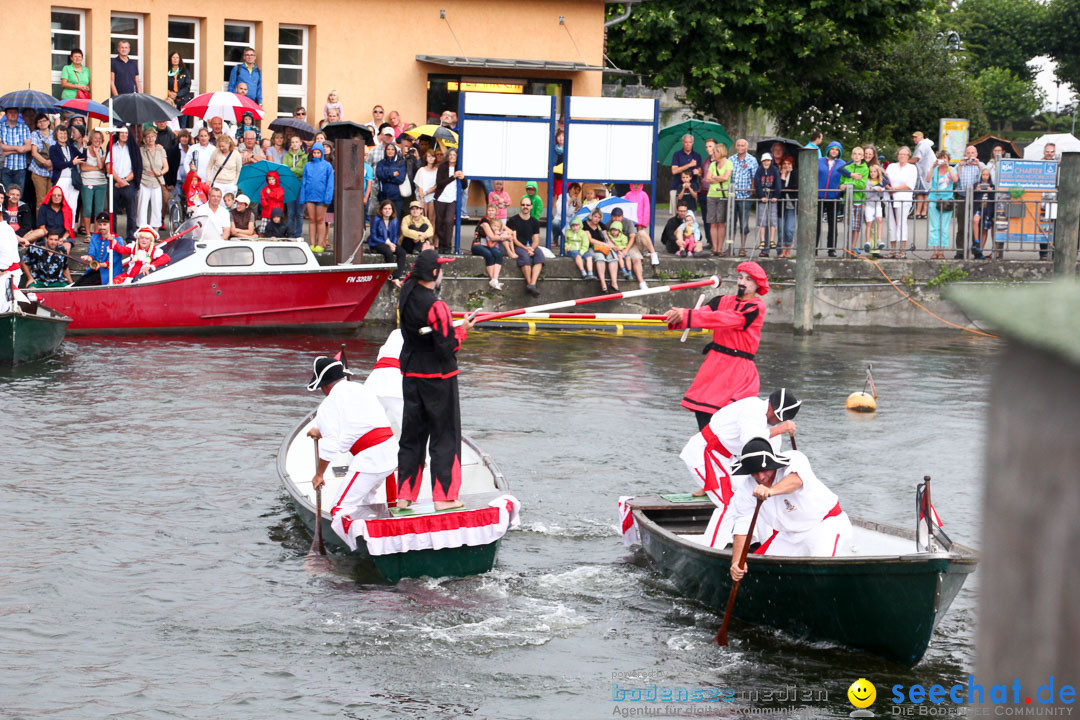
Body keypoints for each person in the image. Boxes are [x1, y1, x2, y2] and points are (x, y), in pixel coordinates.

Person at [396, 250, 476, 511]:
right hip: (438, 378)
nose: (443, 273)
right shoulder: (436, 305)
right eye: (441, 269)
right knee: (444, 436)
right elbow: (446, 347)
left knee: (412, 437)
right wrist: (462, 331)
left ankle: (405, 495)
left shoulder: (406, 295)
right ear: (433, 273)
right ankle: (444, 497)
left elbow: (430, 334)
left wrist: (451, 328)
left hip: (411, 374)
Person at [680, 389, 801, 548]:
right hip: (702, 454)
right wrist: (781, 429)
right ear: (772, 408)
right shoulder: (752, 407)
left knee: (754, 492)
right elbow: (750, 439)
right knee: (728, 504)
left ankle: (756, 542)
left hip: (726, 460)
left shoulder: (772, 429)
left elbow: (772, 458)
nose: (779, 422)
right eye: (779, 418)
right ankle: (711, 548)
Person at [306, 355, 399, 550]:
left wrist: (319, 474)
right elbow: (355, 422)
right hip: (390, 453)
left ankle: (363, 551)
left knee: (339, 510)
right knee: (369, 500)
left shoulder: (329, 404)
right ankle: (390, 532)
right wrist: (320, 430)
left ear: (324, 386)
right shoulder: (359, 388)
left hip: (370, 459)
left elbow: (331, 447)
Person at [665, 262, 769, 429]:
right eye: (740, 277)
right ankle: (706, 450)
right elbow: (702, 315)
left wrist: (687, 315)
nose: (742, 282)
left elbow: (726, 319)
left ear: (758, 284)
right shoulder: (720, 300)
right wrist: (676, 316)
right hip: (715, 365)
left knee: (725, 418)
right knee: (704, 413)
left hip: (738, 369)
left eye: (749, 279)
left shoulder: (755, 307)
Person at [727, 437, 853, 574]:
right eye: (755, 472)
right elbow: (742, 526)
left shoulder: (794, 458)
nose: (761, 477)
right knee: (762, 571)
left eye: (764, 470)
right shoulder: (746, 488)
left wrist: (770, 491)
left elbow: (797, 480)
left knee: (821, 570)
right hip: (789, 534)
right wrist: (737, 562)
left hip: (825, 526)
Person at [365, 329, 405, 429]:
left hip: (374, 381)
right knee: (407, 424)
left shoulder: (395, 333)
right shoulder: (415, 333)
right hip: (395, 382)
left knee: (369, 422)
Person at [299, 142, 334, 253]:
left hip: (322, 197)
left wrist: (328, 197)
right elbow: (304, 182)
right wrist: (302, 197)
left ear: (322, 153)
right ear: (312, 153)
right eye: (314, 152)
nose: (316, 154)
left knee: (320, 220)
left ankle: (320, 243)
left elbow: (330, 183)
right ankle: (312, 243)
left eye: (318, 152)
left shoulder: (327, 165)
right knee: (312, 220)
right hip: (310, 196)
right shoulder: (308, 165)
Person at [507, 195, 544, 296]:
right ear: (520, 206)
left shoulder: (534, 222)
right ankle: (529, 283)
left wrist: (532, 248)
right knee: (525, 256)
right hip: (518, 246)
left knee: (539, 255)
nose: (525, 206)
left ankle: (532, 284)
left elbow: (536, 239)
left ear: (531, 206)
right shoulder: (513, 220)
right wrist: (526, 249)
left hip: (530, 246)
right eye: (523, 205)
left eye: (527, 205)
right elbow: (513, 239)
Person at [884, 147, 917, 258]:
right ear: (897, 155)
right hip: (890, 198)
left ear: (908, 156)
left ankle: (902, 251)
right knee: (891, 225)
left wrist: (895, 189)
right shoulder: (891, 166)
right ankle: (892, 251)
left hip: (903, 199)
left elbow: (909, 185)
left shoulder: (912, 168)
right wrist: (888, 187)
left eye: (905, 154)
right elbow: (885, 179)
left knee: (901, 224)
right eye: (900, 154)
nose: (902, 156)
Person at [953, 145, 984, 260]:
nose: (970, 155)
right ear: (965, 154)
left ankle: (976, 250)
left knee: (976, 225)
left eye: (972, 153)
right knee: (961, 225)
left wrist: (979, 165)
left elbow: (987, 176)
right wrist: (960, 165)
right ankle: (960, 251)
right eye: (968, 153)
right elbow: (955, 179)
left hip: (976, 198)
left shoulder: (980, 165)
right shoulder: (959, 165)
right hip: (962, 197)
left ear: (976, 154)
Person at [816, 141, 846, 257]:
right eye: (832, 149)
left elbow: (846, 178)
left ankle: (831, 248)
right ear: (828, 150)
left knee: (832, 224)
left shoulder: (842, 164)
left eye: (837, 149)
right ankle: (813, 248)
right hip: (819, 196)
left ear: (839, 152)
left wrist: (840, 189)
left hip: (834, 197)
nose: (834, 151)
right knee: (816, 224)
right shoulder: (819, 162)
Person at [77, 212, 124, 286]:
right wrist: (88, 258)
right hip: (95, 270)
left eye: (105, 224)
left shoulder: (118, 239)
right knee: (78, 285)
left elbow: (112, 261)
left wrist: (99, 265)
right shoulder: (94, 237)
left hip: (109, 273)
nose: (102, 227)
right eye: (100, 224)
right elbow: (92, 254)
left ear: (110, 225)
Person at [48, 125, 84, 220]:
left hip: (72, 180)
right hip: (61, 179)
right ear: (56, 135)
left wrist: (85, 145)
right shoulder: (53, 148)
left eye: (64, 133)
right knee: (59, 203)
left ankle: (70, 228)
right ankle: (59, 227)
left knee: (72, 204)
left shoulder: (71, 147)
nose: (63, 135)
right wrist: (72, 163)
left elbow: (83, 157)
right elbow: (57, 164)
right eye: (60, 133)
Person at [925, 150, 957, 260]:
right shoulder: (935, 170)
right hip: (934, 199)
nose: (943, 160)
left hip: (947, 200)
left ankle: (942, 251)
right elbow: (928, 179)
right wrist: (932, 167)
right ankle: (935, 251)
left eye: (945, 158)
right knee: (934, 226)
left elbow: (955, 179)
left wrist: (948, 167)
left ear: (948, 159)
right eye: (941, 158)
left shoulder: (952, 169)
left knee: (944, 227)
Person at [729, 140, 758, 257]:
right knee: (731, 223)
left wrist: (751, 192)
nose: (740, 147)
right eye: (738, 145)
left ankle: (742, 247)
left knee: (744, 223)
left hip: (745, 196)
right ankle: (730, 247)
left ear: (747, 147)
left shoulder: (752, 160)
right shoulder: (730, 159)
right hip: (732, 196)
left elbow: (754, 178)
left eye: (742, 145)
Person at [433, 147, 463, 253]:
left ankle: (448, 246)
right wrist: (453, 177)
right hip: (440, 198)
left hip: (452, 199)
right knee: (440, 222)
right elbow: (439, 183)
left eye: (454, 155)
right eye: (450, 155)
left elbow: (464, 186)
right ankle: (442, 246)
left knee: (449, 221)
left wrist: (462, 178)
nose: (452, 157)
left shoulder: (459, 168)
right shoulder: (442, 167)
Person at [840, 145, 869, 255]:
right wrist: (846, 183)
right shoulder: (847, 168)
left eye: (859, 154)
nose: (857, 156)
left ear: (862, 157)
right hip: (847, 200)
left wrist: (847, 184)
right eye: (855, 154)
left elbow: (861, 184)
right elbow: (841, 182)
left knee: (856, 226)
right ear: (852, 155)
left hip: (858, 200)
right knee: (847, 225)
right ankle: (846, 247)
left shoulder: (865, 168)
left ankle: (852, 247)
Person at [137, 127, 167, 231]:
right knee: (142, 206)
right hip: (144, 180)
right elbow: (138, 166)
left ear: (156, 137)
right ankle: (142, 229)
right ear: (144, 138)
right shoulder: (141, 150)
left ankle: (155, 231)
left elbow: (166, 167)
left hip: (157, 181)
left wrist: (160, 173)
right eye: (148, 137)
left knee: (157, 206)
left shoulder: (160, 150)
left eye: (152, 136)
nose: (150, 139)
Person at [368, 199, 406, 283]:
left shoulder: (394, 220)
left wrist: (393, 244)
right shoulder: (376, 219)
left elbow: (395, 235)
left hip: (390, 243)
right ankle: (391, 274)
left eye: (389, 209)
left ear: (392, 210)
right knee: (388, 252)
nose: (387, 210)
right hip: (378, 242)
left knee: (402, 252)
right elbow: (374, 236)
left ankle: (396, 276)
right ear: (381, 210)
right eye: (385, 208)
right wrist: (387, 243)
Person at [704, 144, 732, 257]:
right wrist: (715, 178)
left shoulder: (729, 163)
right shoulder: (712, 165)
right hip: (712, 195)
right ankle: (714, 248)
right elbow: (708, 179)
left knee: (721, 222)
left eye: (715, 152)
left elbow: (726, 177)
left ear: (720, 152)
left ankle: (720, 248)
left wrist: (714, 178)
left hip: (722, 195)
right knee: (712, 223)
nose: (713, 153)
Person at [472, 203, 506, 290]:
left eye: (492, 210)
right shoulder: (484, 221)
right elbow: (491, 237)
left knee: (498, 253)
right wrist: (503, 236)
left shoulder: (495, 221)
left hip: (488, 245)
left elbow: (505, 228)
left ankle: (495, 280)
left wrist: (509, 233)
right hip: (478, 245)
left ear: (496, 212)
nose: (490, 212)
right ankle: (493, 280)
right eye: (489, 210)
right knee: (488, 254)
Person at [753, 153, 781, 258]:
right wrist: (760, 196)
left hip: (772, 197)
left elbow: (778, 183)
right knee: (762, 220)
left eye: (768, 161)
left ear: (771, 161)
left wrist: (776, 196)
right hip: (763, 198)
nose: (766, 163)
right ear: (762, 161)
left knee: (773, 219)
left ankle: (772, 240)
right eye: (764, 161)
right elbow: (757, 183)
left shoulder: (774, 170)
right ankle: (763, 241)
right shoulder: (759, 170)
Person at [1, 107, 33, 194]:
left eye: (15, 112)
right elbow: (0, 146)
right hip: (5, 166)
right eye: (10, 112)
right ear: (6, 114)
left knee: (19, 194)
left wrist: (9, 151)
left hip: (20, 167)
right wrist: (18, 148)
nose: (13, 115)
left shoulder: (24, 127)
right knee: (6, 194)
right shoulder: (0, 126)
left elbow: (28, 147)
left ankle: (18, 208)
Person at [282, 135, 308, 238]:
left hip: (300, 185)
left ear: (300, 143)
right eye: (293, 142)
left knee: (299, 213)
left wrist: (293, 169)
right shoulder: (287, 156)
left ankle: (298, 234)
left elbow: (304, 171)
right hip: (289, 185)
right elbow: (284, 169)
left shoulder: (305, 156)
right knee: (290, 212)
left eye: (296, 142)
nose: (294, 144)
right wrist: (295, 170)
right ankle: (291, 233)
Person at [36, 185, 74, 252]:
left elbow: (69, 230)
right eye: (54, 195)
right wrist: (52, 239)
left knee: (66, 248)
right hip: (47, 236)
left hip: (62, 237)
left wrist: (63, 238)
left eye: (59, 195)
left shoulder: (68, 210)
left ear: (62, 197)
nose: (56, 197)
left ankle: (62, 262)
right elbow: (42, 227)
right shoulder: (43, 208)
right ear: (50, 196)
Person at [670, 134, 702, 212]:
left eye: (690, 142)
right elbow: (674, 171)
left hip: (692, 188)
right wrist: (689, 165)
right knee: (677, 214)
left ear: (693, 143)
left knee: (691, 214)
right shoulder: (677, 154)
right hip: (677, 187)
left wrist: (698, 172)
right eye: (686, 142)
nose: (688, 144)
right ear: (682, 143)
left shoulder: (697, 156)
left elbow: (701, 173)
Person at [28, 114, 54, 208]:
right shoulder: (35, 134)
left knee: (52, 199)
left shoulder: (54, 133)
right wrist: (46, 162)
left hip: (52, 171)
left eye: (44, 120)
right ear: (37, 124)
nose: (42, 123)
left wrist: (53, 163)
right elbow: (34, 153)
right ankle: (41, 222)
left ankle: (50, 222)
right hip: (39, 171)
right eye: (39, 121)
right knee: (41, 200)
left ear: (48, 121)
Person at [862, 163, 888, 257]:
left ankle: (879, 240)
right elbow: (867, 195)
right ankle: (868, 241)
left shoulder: (880, 181)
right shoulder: (867, 181)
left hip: (877, 204)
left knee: (879, 220)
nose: (873, 173)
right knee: (869, 223)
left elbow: (881, 195)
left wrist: (879, 190)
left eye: (874, 172)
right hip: (869, 205)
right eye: (871, 172)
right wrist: (874, 189)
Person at [376, 142, 407, 217]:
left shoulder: (400, 163)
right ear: (385, 151)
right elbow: (380, 175)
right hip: (384, 196)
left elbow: (400, 179)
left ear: (395, 151)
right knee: (384, 219)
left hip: (397, 196)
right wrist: (392, 174)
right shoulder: (381, 163)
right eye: (388, 149)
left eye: (392, 149)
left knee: (396, 219)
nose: (390, 151)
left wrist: (387, 179)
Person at [972, 167, 995, 260]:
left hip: (988, 209)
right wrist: (976, 190)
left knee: (985, 229)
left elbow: (995, 198)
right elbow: (972, 195)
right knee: (975, 220)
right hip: (979, 207)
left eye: (987, 175)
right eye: (983, 174)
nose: (985, 176)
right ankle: (976, 240)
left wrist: (991, 191)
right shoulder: (976, 184)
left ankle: (980, 250)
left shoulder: (992, 186)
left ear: (989, 176)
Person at [911, 131, 935, 219]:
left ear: (921, 137)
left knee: (921, 193)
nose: (914, 139)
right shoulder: (926, 145)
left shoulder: (922, 145)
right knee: (926, 193)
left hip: (924, 172)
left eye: (916, 137)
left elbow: (916, 158)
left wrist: (906, 162)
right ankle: (924, 212)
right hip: (929, 171)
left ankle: (918, 212)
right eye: (913, 137)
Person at [777, 155, 798, 258]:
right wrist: (782, 177)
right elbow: (779, 190)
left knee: (789, 229)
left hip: (791, 206)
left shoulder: (795, 174)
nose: (786, 166)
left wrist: (785, 180)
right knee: (781, 229)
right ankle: (781, 251)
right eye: (784, 164)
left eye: (788, 164)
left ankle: (788, 250)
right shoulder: (779, 174)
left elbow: (794, 187)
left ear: (792, 165)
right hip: (781, 206)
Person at [166, 52, 193, 127]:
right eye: (173, 57)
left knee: (182, 124)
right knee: (172, 123)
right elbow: (163, 84)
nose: (175, 59)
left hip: (182, 101)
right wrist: (169, 92)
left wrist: (177, 94)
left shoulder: (185, 71)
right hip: (171, 101)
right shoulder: (166, 71)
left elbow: (187, 87)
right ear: (170, 59)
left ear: (180, 59)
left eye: (177, 57)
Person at [414, 149, 439, 222]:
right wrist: (422, 198)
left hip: (432, 196)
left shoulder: (437, 170)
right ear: (426, 158)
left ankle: (431, 233)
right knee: (422, 218)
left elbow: (436, 185)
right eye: (429, 156)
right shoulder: (421, 170)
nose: (431, 158)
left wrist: (427, 192)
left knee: (431, 218)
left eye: (433, 156)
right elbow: (419, 185)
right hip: (421, 196)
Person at [259, 170, 285, 235]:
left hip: (276, 213)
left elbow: (279, 197)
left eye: (273, 179)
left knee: (276, 231)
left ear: (276, 179)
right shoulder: (264, 189)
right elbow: (262, 198)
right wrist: (265, 204)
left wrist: (270, 193)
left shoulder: (280, 189)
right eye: (269, 179)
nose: (271, 181)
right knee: (264, 231)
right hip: (266, 212)